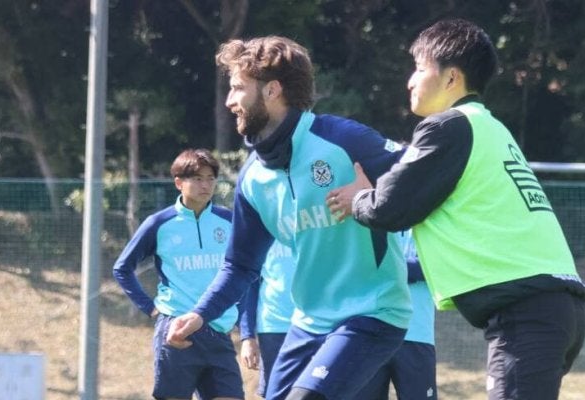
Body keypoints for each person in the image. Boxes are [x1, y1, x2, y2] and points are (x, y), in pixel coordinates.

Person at [326, 19, 585, 399]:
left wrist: (358, 198)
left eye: (419, 69)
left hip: (526, 312)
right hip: (556, 307)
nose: (410, 81)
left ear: (451, 78)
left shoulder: (448, 127)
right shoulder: (490, 127)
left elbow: (389, 209)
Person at [166, 36, 412, 400]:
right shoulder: (253, 179)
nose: (229, 101)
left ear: (272, 90)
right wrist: (199, 314)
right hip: (309, 321)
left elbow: (421, 172)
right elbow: (240, 266)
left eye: (238, 88)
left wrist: (375, 196)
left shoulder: (342, 140)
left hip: (372, 313)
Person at [112, 149, 243, 400]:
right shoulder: (159, 223)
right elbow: (122, 268)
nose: (205, 185)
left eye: (210, 178)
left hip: (218, 330)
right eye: (197, 178)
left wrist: (241, 316)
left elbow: (245, 271)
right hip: (176, 329)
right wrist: (151, 308)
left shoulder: (229, 221)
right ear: (178, 183)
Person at [355, 230, 437, 400]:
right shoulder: (367, 222)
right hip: (371, 333)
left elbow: (435, 266)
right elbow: (359, 266)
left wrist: (386, 269)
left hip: (417, 335)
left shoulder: (430, 225)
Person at [237, 242, 295, 398]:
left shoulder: (318, 229)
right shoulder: (262, 231)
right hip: (273, 327)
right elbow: (249, 287)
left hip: (318, 325)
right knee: (276, 393)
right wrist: (247, 336)